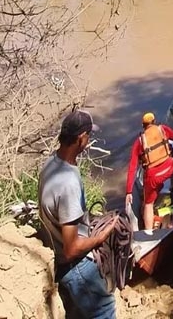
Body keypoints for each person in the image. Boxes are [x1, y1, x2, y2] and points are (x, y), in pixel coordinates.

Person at [38, 109, 117, 319]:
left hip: (62, 262)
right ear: (81, 138)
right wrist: (101, 236)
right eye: (89, 135)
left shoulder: (51, 164)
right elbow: (72, 248)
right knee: (105, 309)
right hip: (76, 266)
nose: (89, 139)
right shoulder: (68, 183)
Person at [124, 112, 173, 231]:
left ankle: (148, 232)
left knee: (148, 204)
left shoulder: (139, 141)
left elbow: (132, 167)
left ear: (143, 126)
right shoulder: (162, 129)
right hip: (169, 169)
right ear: (154, 122)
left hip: (154, 177)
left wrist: (129, 191)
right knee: (171, 158)